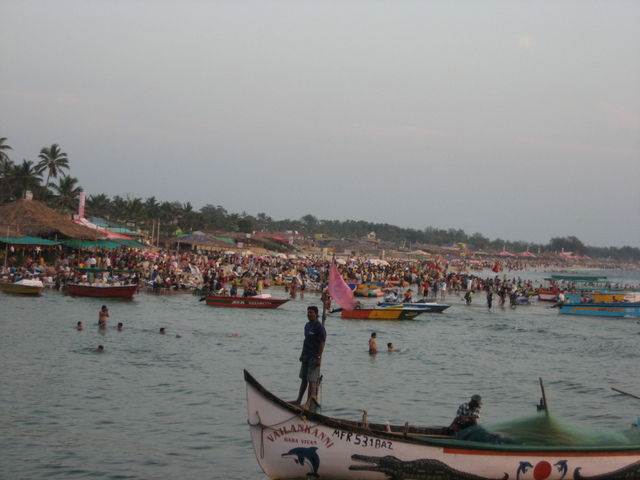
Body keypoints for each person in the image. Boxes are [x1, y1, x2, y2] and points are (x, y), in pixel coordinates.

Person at [291, 306, 326, 408]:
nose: (309, 314)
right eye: (308, 313)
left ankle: (308, 403)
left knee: (311, 380)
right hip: (306, 355)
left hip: (314, 357)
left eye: (311, 313)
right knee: (303, 379)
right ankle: (298, 400)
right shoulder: (307, 325)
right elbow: (306, 340)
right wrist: (302, 354)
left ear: (316, 314)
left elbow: (322, 343)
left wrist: (319, 357)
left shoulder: (319, 327)